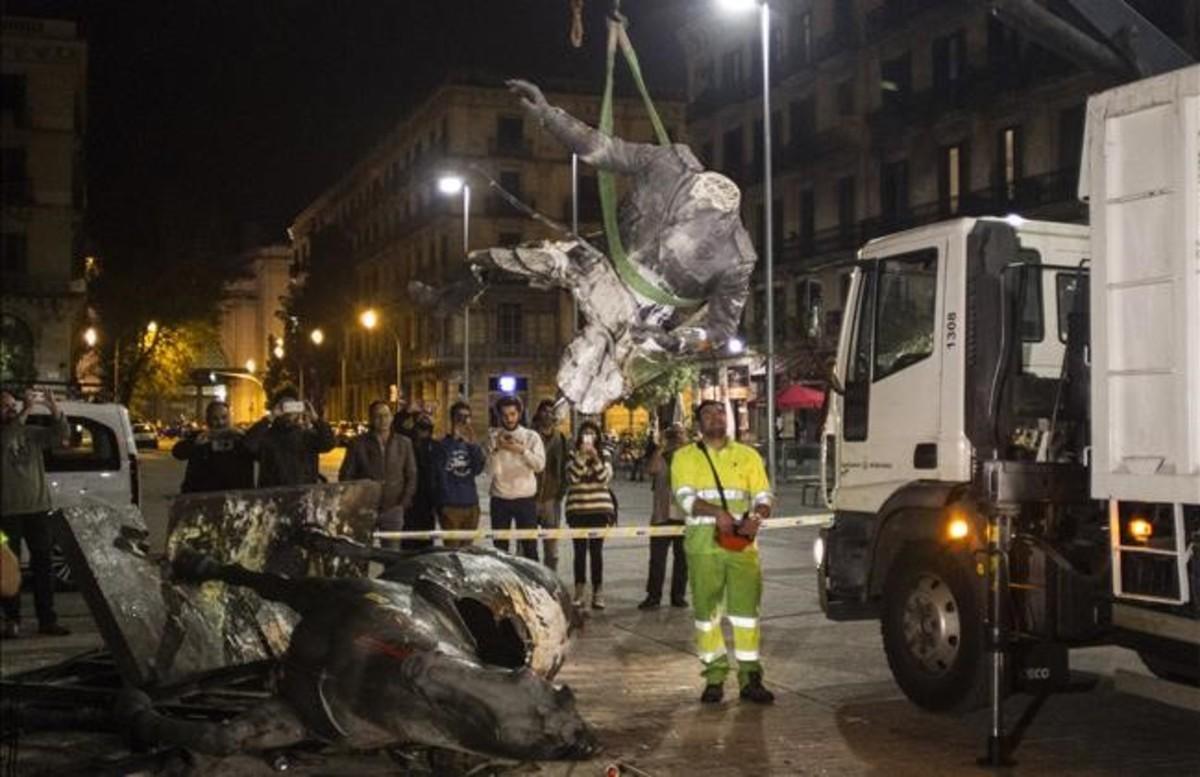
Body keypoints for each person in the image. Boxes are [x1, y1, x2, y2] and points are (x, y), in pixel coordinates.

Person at [411, 78, 757, 415]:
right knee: (506, 258)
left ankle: (564, 410)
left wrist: (677, 341)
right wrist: (547, 114)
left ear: (718, 223)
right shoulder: (671, 163)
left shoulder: (737, 258)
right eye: (686, 203)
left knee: (595, 388)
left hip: (641, 313)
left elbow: (721, 329)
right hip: (599, 259)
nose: (682, 216)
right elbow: (600, 147)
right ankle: (447, 298)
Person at [671, 399, 774, 704]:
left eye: (720, 412)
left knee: (746, 615)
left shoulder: (748, 455)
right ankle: (714, 676)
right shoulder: (684, 457)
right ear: (698, 423)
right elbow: (685, 499)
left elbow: (764, 494)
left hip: (742, 546)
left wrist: (758, 516)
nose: (716, 417)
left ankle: (750, 676)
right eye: (708, 414)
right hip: (703, 546)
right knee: (706, 614)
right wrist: (717, 512)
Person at [1, 388, 71, 638]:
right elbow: (7, 439)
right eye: (6, 406)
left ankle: (47, 620)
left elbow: (62, 435)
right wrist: (27, 409)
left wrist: (53, 407)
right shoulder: (9, 432)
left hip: (38, 509)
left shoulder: (30, 434)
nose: (11, 409)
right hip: (6, 513)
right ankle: (12, 620)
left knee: (43, 566)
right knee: (9, 568)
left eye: (13, 405)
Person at [339, 400, 417, 551]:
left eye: (386, 415)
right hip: (365, 509)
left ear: (392, 417)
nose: (383, 420)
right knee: (361, 553)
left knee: (392, 555)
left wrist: (403, 503)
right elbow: (346, 475)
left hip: (393, 508)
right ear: (371, 419)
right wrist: (355, 501)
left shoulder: (404, 443)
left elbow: (412, 475)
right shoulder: (358, 444)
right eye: (378, 416)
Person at [485, 396, 545, 561]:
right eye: (504, 415)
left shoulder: (532, 437)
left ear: (519, 414)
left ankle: (534, 585)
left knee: (530, 548)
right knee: (500, 550)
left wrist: (521, 450)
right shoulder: (494, 437)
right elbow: (490, 472)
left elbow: (540, 465)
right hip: (500, 499)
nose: (509, 419)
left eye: (512, 414)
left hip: (525, 499)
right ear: (499, 416)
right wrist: (496, 449)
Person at [564, 420, 616, 610]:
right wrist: (581, 458)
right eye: (585, 433)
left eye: (592, 434)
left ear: (598, 437)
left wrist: (595, 458)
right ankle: (579, 590)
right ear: (580, 437)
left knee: (596, 552)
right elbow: (572, 478)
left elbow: (604, 479)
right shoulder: (572, 454)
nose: (589, 437)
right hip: (578, 509)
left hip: (599, 509)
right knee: (579, 552)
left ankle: (598, 591)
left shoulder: (605, 454)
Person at [243, 388, 336, 488]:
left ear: (298, 410)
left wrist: (316, 419)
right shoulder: (266, 437)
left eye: (293, 406)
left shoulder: (307, 437)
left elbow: (329, 443)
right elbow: (248, 445)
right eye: (284, 406)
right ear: (276, 408)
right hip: (273, 498)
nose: (288, 411)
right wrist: (271, 417)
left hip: (303, 497)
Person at [639, 425, 688, 610]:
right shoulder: (662, 458)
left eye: (680, 434)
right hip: (662, 515)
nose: (677, 438)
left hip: (684, 515)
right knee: (657, 559)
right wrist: (661, 446)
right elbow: (650, 469)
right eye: (673, 435)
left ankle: (678, 595)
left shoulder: (690, 457)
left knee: (682, 559)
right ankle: (653, 596)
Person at [171, 400, 255, 493]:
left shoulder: (242, 438)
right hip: (204, 496)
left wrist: (245, 437)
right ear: (207, 420)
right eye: (215, 418)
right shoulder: (199, 437)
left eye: (224, 417)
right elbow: (177, 452)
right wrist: (197, 443)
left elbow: (259, 450)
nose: (220, 422)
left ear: (231, 417)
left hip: (236, 497)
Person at [434, 401, 486, 548]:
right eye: (460, 417)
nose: (463, 421)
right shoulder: (442, 445)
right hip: (451, 505)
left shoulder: (470, 445)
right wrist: (454, 439)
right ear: (452, 419)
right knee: (452, 549)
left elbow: (478, 468)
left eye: (467, 417)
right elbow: (440, 470)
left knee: (467, 549)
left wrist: (472, 444)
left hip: (471, 504)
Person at [533, 399, 569, 573]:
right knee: (526, 546)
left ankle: (550, 581)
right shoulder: (530, 435)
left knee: (552, 548)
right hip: (530, 497)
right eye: (544, 411)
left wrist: (561, 492)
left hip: (551, 498)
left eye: (551, 411)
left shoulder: (560, 438)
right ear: (538, 414)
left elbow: (564, 467)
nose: (547, 414)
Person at [402, 413, 440, 550]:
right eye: (420, 427)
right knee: (407, 540)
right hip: (410, 500)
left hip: (428, 502)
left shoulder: (435, 446)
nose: (422, 432)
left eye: (426, 428)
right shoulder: (407, 444)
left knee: (426, 542)